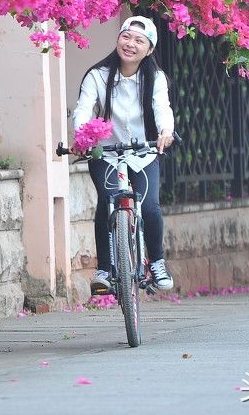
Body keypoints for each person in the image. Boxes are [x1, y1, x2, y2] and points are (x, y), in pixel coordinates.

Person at [72, 15, 177, 294]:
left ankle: (156, 262)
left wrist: (166, 131)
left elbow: (162, 108)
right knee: (106, 201)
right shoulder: (98, 76)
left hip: (143, 152)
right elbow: (83, 109)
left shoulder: (155, 78)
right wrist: (82, 135)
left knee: (151, 206)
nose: (130, 44)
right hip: (106, 152)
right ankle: (105, 268)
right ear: (118, 38)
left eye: (139, 41)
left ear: (150, 49)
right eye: (126, 37)